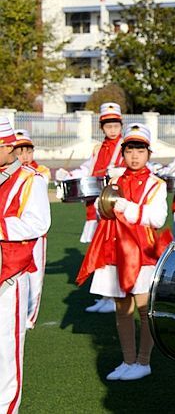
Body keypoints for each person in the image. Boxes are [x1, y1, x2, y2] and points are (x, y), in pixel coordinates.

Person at [76, 124, 168, 381]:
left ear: (148, 153)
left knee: (142, 307)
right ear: (123, 152)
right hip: (115, 249)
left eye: (140, 150)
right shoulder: (115, 180)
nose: (134, 156)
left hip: (142, 253)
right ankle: (128, 360)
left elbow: (158, 218)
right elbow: (101, 209)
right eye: (129, 150)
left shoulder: (155, 184)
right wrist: (102, 204)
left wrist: (126, 207)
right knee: (121, 307)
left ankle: (144, 361)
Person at [0, 118, 50, 414]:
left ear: (8, 147)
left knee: (6, 352)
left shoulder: (31, 180)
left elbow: (38, 223)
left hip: (9, 278)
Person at [56, 102, 125, 313]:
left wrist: (119, 171)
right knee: (100, 253)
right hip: (96, 207)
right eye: (107, 125)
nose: (112, 129)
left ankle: (115, 298)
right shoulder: (99, 149)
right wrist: (68, 175)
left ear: (121, 125)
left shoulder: (125, 146)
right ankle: (105, 296)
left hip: (113, 208)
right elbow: (88, 169)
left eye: (115, 124)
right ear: (102, 127)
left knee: (112, 253)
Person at [12, 130, 50, 329]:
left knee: (35, 276)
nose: (25, 156)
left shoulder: (40, 172)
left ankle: (30, 316)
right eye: (20, 151)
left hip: (36, 235)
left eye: (28, 151)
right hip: (13, 234)